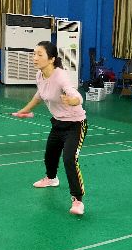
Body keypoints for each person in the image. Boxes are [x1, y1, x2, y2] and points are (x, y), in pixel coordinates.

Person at [14, 41, 88, 216]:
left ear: (51, 59)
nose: (35, 58)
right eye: (34, 54)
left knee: (69, 159)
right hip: (57, 123)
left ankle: (77, 200)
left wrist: (73, 101)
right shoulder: (40, 75)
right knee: (50, 155)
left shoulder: (60, 76)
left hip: (75, 124)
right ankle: (52, 179)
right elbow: (39, 96)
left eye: (39, 54)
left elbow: (77, 96)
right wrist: (23, 111)